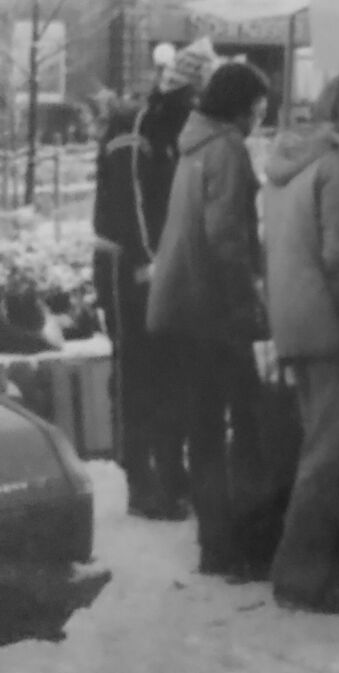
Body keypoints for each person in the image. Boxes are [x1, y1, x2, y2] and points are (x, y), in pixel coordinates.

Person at [261, 71, 339, 614]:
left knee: (322, 447)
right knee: (333, 455)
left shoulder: (293, 162)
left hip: (293, 319)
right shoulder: (338, 168)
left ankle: (330, 566)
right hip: (329, 324)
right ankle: (301, 576)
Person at [146, 62, 271, 579]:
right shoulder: (228, 149)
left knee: (203, 429)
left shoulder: (194, 145)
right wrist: (250, 310)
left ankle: (214, 546)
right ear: (243, 105)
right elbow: (227, 241)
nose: (264, 112)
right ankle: (239, 546)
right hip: (214, 311)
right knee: (247, 425)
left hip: (182, 307)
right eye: (261, 103)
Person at [92, 44, 214, 520]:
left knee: (169, 368)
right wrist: (151, 261)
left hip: (160, 264)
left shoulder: (175, 124)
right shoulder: (138, 126)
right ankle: (140, 480)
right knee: (137, 370)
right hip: (129, 266)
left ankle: (168, 470)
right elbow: (135, 199)